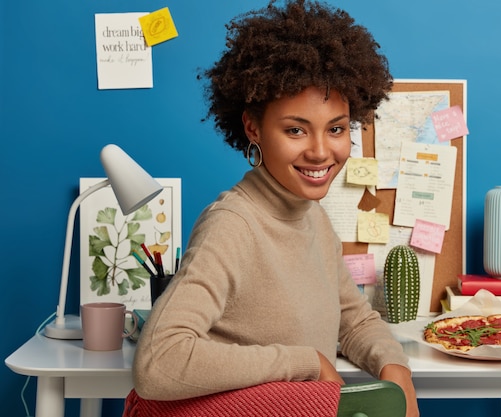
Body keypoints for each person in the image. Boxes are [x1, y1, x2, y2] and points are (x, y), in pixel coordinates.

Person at [132, 1, 419, 416]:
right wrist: (302, 363)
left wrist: (396, 368)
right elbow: (159, 360)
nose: (321, 151)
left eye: (336, 128)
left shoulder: (313, 219)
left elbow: (353, 318)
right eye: (295, 130)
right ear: (253, 128)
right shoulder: (232, 225)